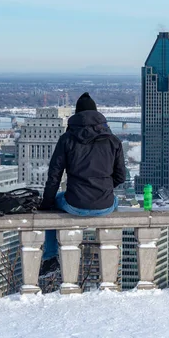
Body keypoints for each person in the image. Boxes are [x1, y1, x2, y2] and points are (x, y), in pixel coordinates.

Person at [39, 92, 126, 276]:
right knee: (115, 202)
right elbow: (121, 177)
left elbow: (54, 176)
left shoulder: (67, 139)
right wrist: (105, 189)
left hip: (74, 204)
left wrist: (46, 204)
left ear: (76, 115)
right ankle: (113, 259)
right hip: (105, 206)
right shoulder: (113, 140)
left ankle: (50, 257)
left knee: (54, 204)